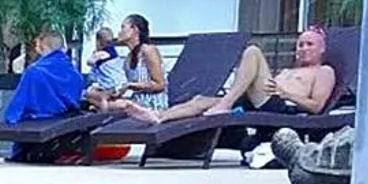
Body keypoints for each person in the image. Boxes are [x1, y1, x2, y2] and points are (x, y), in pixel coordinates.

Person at [115, 25, 334, 125]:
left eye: (310, 44)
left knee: (253, 51)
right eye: (301, 44)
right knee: (200, 100)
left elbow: (316, 107)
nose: (303, 48)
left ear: (322, 48)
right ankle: (159, 116)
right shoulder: (289, 70)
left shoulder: (324, 71)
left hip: (284, 109)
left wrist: (286, 92)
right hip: (259, 101)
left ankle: (226, 103)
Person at [0, 29, 90, 163]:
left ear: (41, 46)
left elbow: (19, 102)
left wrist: (9, 120)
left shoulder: (34, 71)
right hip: (67, 121)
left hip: (37, 120)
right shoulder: (74, 72)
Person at [91, 14, 166, 112]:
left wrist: (130, 85)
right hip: (136, 103)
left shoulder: (148, 51)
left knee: (109, 103)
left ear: (134, 29)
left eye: (123, 27)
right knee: (92, 96)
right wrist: (118, 92)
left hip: (153, 106)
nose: (119, 32)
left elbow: (160, 85)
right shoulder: (128, 59)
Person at [85, 27, 126, 94]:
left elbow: (89, 62)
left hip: (110, 84)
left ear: (98, 41)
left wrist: (94, 55)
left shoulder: (101, 53)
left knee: (88, 92)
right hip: (120, 82)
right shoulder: (114, 52)